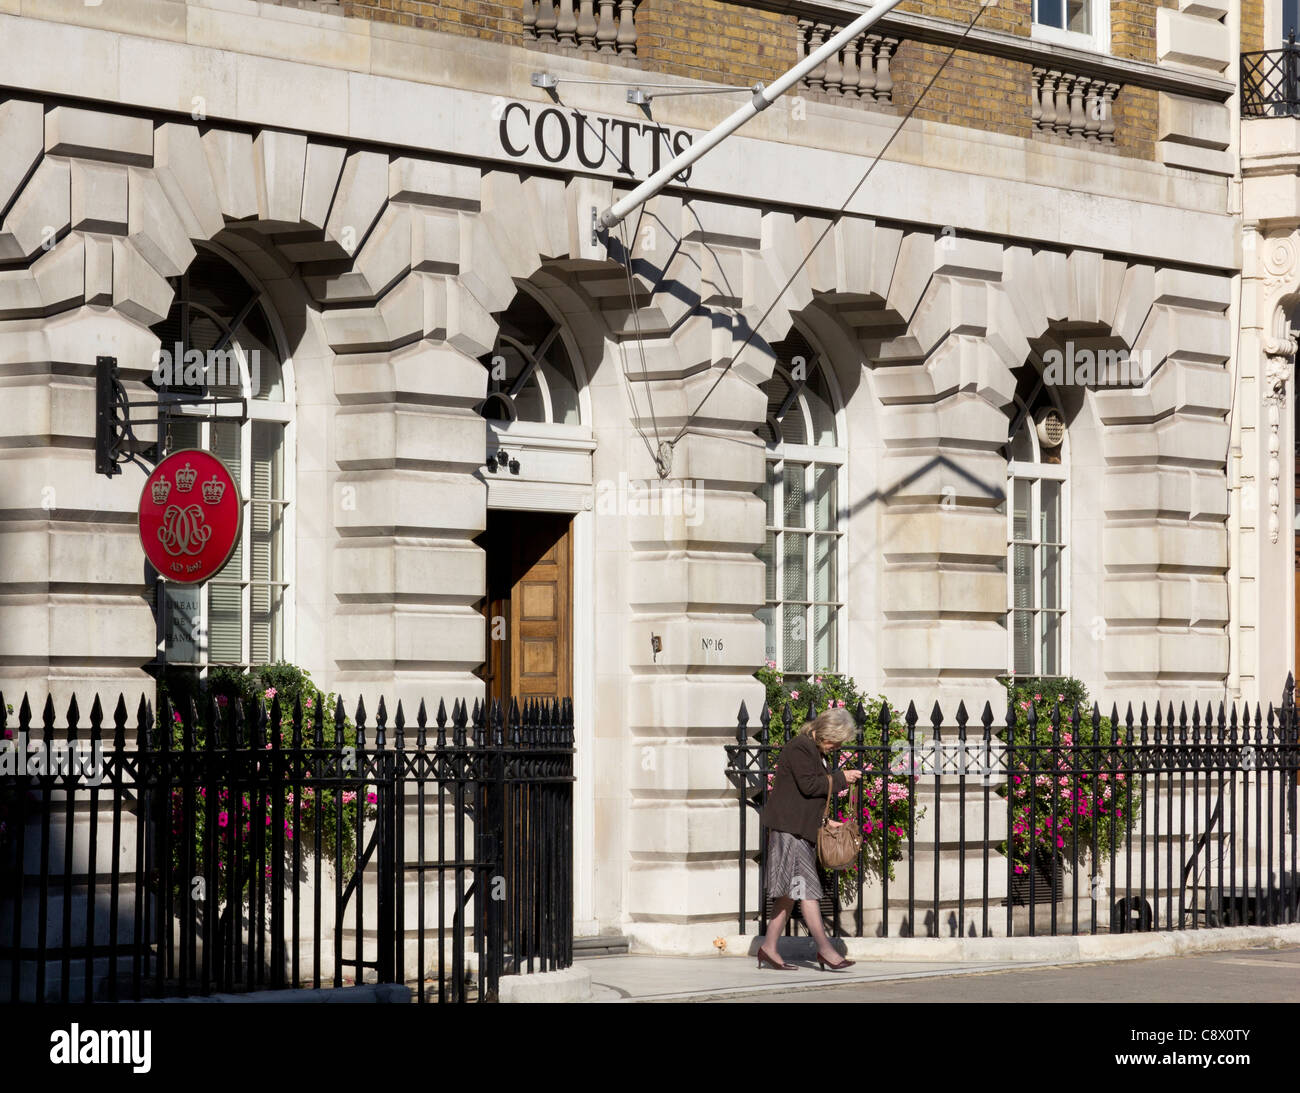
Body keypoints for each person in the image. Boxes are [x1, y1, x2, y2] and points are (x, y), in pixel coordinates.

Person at [757, 706, 862, 971]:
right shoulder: (799, 747)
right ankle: (825, 951)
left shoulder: (813, 749)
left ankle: (769, 948)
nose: (837, 746)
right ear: (827, 732)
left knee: (789, 896)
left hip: (797, 829)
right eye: (836, 741)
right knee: (808, 891)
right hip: (789, 831)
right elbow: (809, 785)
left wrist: (825, 821)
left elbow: (802, 794)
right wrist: (841, 778)